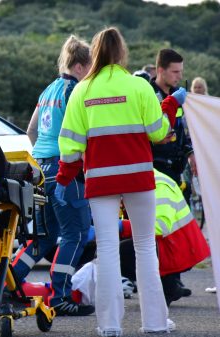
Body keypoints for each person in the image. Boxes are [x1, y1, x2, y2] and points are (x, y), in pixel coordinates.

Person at [56, 27, 183, 336]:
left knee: (109, 250)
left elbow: (70, 145)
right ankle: (154, 323)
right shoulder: (139, 86)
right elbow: (157, 131)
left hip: (100, 181)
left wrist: (63, 179)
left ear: (95, 52)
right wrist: (171, 104)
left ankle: (110, 325)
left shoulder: (82, 91)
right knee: (145, 247)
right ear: (122, 52)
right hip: (139, 176)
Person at [18, 35, 94, 316]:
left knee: (44, 236)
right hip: (66, 169)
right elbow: (82, 132)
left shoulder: (47, 90)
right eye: (90, 68)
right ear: (79, 66)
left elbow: (31, 131)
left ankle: (11, 282)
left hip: (40, 168)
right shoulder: (75, 91)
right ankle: (60, 296)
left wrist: (43, 158)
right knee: (75, 233)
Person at [119, 169, 210, 306]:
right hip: (172, 246)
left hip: (179, 249)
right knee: (118, 248)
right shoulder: (141, 181)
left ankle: (168, 287)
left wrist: (121, 226)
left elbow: (160, 226)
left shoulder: (159, 185)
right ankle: (168, 285)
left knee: (122, 252)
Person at [150, 49, 196, 194]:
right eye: (175, 72)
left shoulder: (179, 96)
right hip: (157, 170)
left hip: (178, 171)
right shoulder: (148, 95)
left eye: (181, 71)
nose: (180, 76)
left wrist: (190, 153)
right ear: (160, 70)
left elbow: (183, 130)